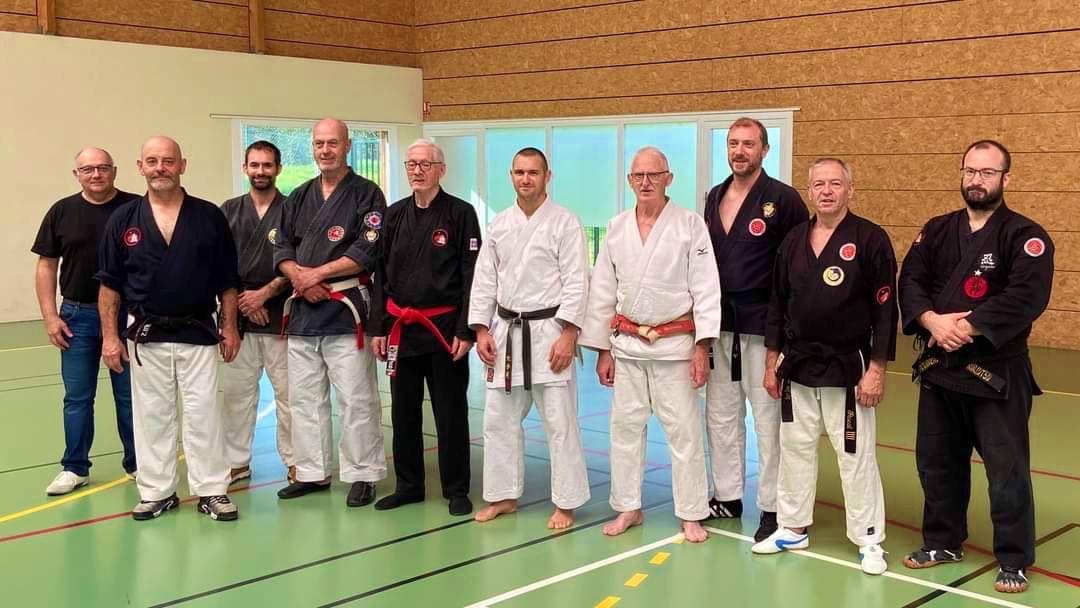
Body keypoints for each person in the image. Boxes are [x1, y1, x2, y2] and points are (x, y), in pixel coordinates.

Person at [898, 140, 1053, 594]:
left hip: (995, 372)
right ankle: (943, 541)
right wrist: (930, 320)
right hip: (941, 368)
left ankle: (1014, 558)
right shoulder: (936, 230)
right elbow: (911, 280)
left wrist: (964, 327)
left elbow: (1026, 296)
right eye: (970, 171)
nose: (976, 180)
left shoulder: (1025, 236)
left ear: (1006, 179)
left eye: (987, 172)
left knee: (1006, 470)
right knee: (937, 463)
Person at [752, 157, 895, 576]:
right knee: (794, 448)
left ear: (850, 189)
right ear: (810, 191)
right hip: (797, 364)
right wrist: (771, 361)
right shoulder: (794, 240)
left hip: (848, 366)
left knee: (854, 453)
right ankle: (792, 526)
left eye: (835, 183)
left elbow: (886, 311)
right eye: (819, 184)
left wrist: (877, 369)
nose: (827, 191)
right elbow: (777, 304)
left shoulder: (870, 239)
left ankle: (868, 537)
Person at [579, 146, 720, 543]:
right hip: (627, 347)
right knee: (624, 429)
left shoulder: (689, 225)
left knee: (684, 433)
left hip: (675, 347)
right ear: (629, 180)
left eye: (653, 175)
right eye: (638, 176)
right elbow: (603, 290)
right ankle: (628, 506)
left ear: (668, 179)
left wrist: (702, 346)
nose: (645, 182)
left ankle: (691, 513)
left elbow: (706, 287)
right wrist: (603, 349)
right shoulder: (617, 227)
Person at [96, 136, 241, 521]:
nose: (160, 168)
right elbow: (109, 285)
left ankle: (212, 490)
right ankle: (157, 492)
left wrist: (230, 327)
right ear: (140, 166)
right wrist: (109, 337)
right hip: (146, 333)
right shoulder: (123, 219)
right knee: (152, 417)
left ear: (182, 165)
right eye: (152, 161)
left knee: (204, 414)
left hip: (199, 330)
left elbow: (228, 280)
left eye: (168, 160)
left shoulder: (208, 216)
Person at [470, 147, 590, 529]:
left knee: (560, 423)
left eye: (533, 172)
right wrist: (481, 329)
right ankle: (503, 495)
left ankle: (566, 502)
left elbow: (577, 281)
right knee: (498, 421)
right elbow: (484, 279)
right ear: (511, 176)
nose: (526, 179)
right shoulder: (499, 224)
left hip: (549, 333)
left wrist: (569, 334)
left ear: (547, 176)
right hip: (506, 334)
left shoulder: (565, 222)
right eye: (519, 172)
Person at [702, 117, 808, 541]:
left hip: (766, 325)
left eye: (748, 144)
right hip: (721, 324)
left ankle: (774, 505)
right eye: (733, 143)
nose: (739, 151)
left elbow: (800, 265)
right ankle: (727, 496)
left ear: (765, 150)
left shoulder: (783, 199)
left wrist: (788, 332)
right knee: (720, 415)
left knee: (768, 420)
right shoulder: (714, 195)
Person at [274, 119, 387, 509]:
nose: (325, 150)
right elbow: (281, 247)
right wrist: (300, 278)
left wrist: (316, 274)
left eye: (332, 143)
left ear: (347, 146)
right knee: (304, 399)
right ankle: (311, 472)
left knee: (356, 398)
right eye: (319, 143)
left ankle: (363, 473)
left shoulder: (367, 193)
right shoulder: (299, 195)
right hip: (303, 310)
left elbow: (367, 249)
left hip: (344, 308)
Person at [369, 138, 481, 516]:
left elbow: (472, 274)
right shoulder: (393, 215)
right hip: (401, 329)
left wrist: (466, 330)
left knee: (450, 411)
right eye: (411, 164)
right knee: (402, 412)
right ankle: (409, 485)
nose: (417, 171)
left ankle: (456, 488)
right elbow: (380, 274)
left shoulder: (460, 213)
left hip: (444, 329)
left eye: (425, 164)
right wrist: (379, 327)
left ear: (441, 169)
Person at [33, 147, 140, 495]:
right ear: (76, 174)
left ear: (115, 171)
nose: (96, 174)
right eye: (88, 169)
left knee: (130, 397)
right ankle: (75, 467)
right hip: (76, 318)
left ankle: (138, 464)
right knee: (77, 397)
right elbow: (46, 266)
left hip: (126, 317)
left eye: (103, 168)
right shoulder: (61, 211)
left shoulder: (136, 208)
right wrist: (50, 316)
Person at [220, 140, 293, 484]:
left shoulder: (292, 209)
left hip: (283, 315)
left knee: (289, 395)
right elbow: (218, 266)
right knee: (237, 395)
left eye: (267, 165)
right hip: (239, 318)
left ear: (278, 169)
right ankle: (236, 462)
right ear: (245, 168)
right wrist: (244, 304)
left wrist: (265, 294)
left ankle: (296, 461)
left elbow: (302, 261)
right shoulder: (229, 210)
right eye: (254, 165)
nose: (260, 171)